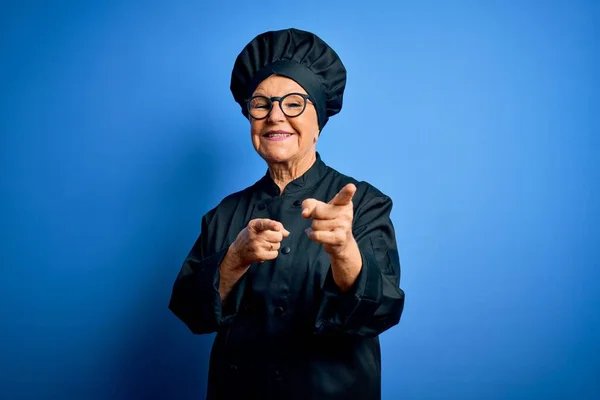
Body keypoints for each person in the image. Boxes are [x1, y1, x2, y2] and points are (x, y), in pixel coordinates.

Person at [168, 28, 405, 400]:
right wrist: (235, 257)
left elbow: (382, 311)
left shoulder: (364, 204)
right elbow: (190, 312)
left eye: (294, 103)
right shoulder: (224, 214)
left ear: (318, 120)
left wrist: (344, 250)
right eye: (261, 104)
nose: (275, 116)